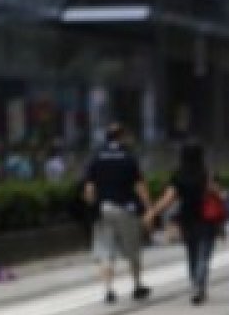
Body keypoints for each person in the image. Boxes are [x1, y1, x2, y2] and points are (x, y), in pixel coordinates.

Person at [82, 123, 153, 304]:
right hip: (126, 209)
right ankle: (137, 285)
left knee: (105, 250)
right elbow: (139, 186)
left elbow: (89, 189)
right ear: (121, 137)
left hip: (104, 209)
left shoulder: (96, 157)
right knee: (133, 248)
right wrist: (149, 209)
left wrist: (92, 209)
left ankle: (108, 290)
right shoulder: (129, 157)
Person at [145, 142, 220, 305]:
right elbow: (215, 192)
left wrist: (153, 212)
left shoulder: (178, 175)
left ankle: (195, 285)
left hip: (187, 218)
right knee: (203, 255)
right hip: (207, 218)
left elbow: (168, 198)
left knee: (192, 253)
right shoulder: (206, 173)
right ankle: (200, 286)